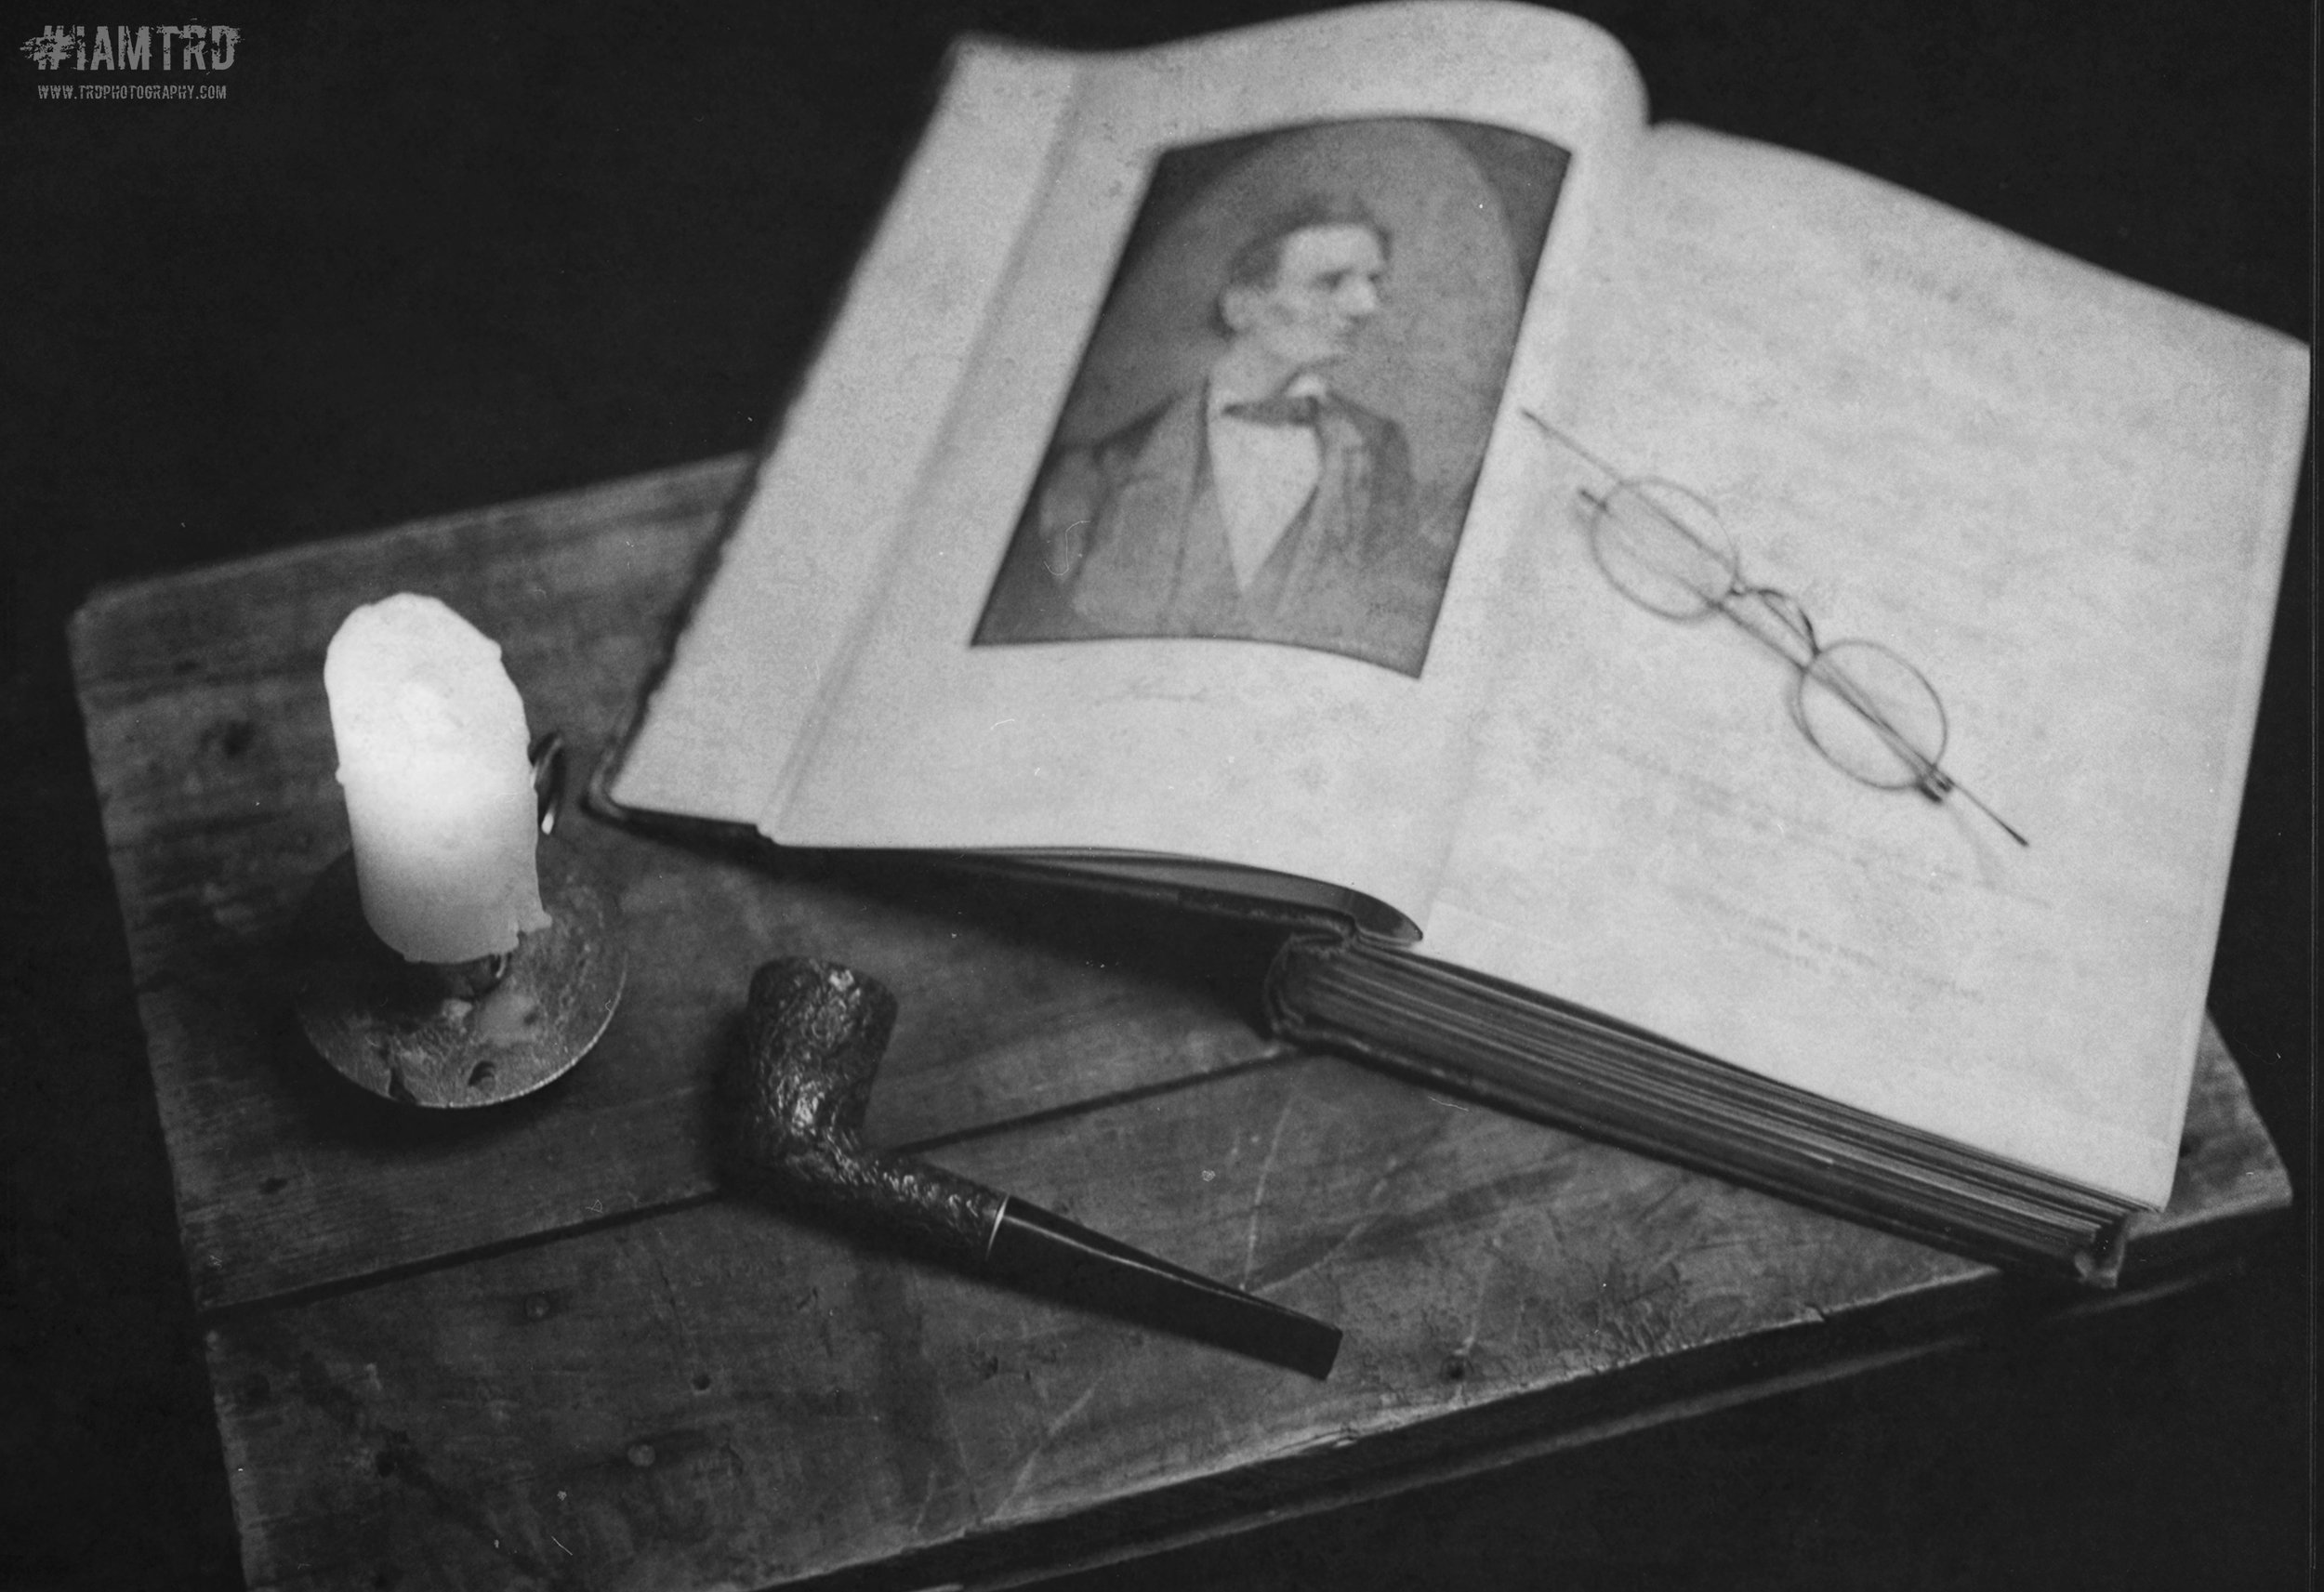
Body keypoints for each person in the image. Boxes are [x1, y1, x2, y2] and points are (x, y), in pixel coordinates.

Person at [977, 193, 1454, 675]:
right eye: (1330, 282)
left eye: (1372, 281)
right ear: (1241, 306)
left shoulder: (1379, 448)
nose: (1365, 306)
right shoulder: (1104, 465)